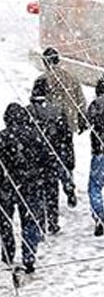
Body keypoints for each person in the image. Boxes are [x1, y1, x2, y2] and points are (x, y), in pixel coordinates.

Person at [0, 104, 44, 273]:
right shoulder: (35, 136)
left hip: (7, 186)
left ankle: (8, 253)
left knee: (6, 222)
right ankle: (29, 255)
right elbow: (44, 161)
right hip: (30, 185)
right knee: (29, 222)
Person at [29, 76, 76, 235]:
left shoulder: (28, 111)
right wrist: (69, 157)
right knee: (51, 189)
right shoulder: (58, 110)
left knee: (37, 191)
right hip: (53, 156)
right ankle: (53, 221)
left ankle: (40, 221)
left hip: (35, 159)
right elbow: (66, 137)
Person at [40, 48, 86, 134]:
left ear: (44, 62)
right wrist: (81, 118)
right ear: (58, 60)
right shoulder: (71, 77)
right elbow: (81, 100)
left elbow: (38, 105)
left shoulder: (42, 80)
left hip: (52, 124)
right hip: (70, 122)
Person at [86, 77, 104, 236]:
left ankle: (100, 215)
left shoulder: (96, 104)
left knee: (95, 186)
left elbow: (87, 121)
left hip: (100, 152)